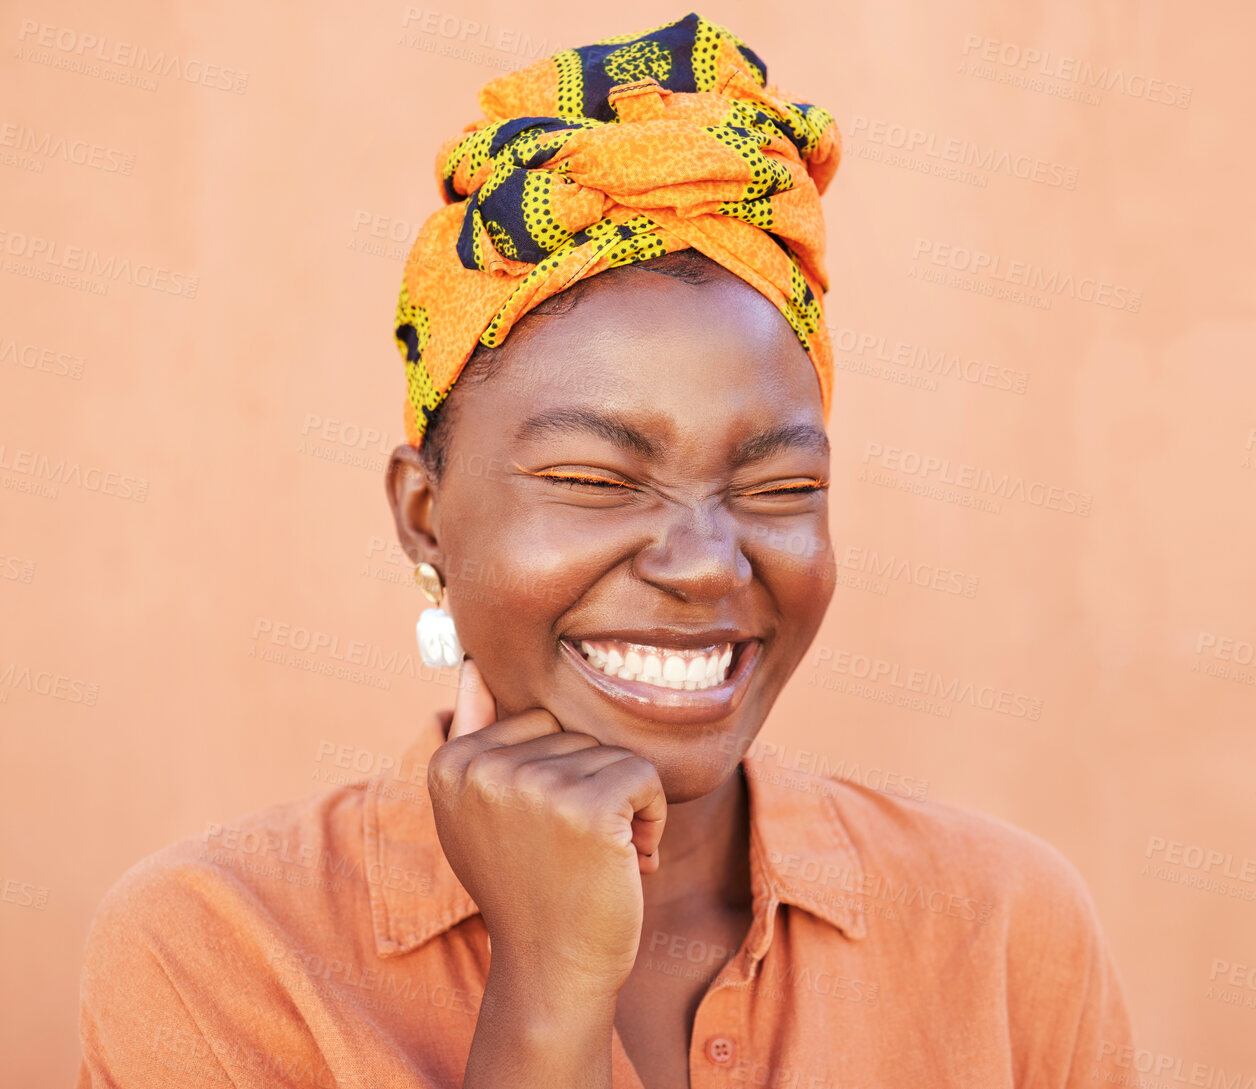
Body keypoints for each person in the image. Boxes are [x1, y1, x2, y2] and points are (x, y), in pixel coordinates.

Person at [76, 14, 1133, 1088]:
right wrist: (548, 988)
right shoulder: (224, 945)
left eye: (779, 488)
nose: (708, 564)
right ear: (423, 514)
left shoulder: (1000, 927)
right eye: (594, 480)